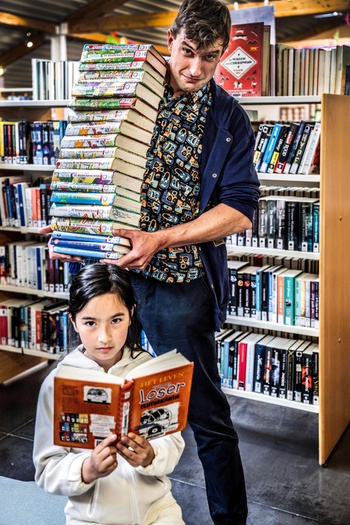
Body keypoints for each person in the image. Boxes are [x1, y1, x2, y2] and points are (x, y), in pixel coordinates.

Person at [43, 1, 260, 523]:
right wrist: (77, 217)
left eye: (209, 57)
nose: (194, 68)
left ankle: (230, 519)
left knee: (203, 415)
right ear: (171, 39)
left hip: (180, 287)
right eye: (187, 52)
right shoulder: (129, 87)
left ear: (222, 53)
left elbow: (240, 210)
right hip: (114, 277)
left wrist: (161, 240)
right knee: (101, 399)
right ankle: (109, 508)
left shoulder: (228, 118)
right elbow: (87, 159)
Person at [32, 263, 185, 525]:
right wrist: (86, 470)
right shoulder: (57, 384)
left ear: (131, 313)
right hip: (92, 519)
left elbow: (173, 441)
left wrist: (151, 455)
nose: (105, 337)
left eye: (116, 320)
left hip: (158, 511)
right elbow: (47, 469)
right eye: (90, 322)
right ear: (74, 321)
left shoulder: (149, 371)